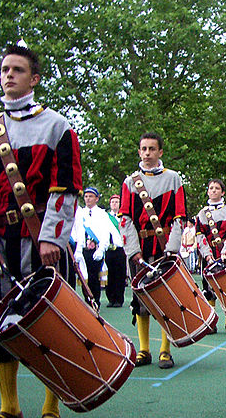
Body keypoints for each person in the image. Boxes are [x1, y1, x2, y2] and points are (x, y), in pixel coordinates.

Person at [0, 44, 82, 418]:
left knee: (51, 325)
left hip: (42, 242)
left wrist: (51, 237)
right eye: (3, 70)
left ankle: (52, 411)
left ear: (34, 79)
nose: (8, 75)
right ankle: (10, 410)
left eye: (17, 70)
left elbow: (65, 188)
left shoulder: (58, 127)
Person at [119, 132, 186, 369]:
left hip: (164, 247)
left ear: (160, 152)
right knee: (140, 299)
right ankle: (144, 349)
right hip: (139, 247)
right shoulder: (130, 182)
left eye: (151, 149)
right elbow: (125, 218)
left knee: (165, 299)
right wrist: (133, 250)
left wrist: (172, 249)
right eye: (143, 149)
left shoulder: (174, 179)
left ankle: (165, 351)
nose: (147, 153)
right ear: (139, 152)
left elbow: (180, 216)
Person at [194, 178, 226, 335]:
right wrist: (207, 255)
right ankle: (212, 322)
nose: (213, 190)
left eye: (216, 188)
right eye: (211, 188)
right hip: (209, 255)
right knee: (208, 289)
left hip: (225, 255)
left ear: (223, 192)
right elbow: (199, 236)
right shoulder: (201, 213)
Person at [71, 187, 120, 307]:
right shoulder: (80, 213)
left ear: (97, 198)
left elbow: (105, 233)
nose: (88, 199)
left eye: (91, 196)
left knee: (94, 278)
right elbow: (77, 231)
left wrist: (101, 249)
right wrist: (78, 250)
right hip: (83, 249)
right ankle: (87, 301)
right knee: (83, 277)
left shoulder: (102, 214)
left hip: (96, 249)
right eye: (86, 196)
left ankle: (95, 301)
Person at [104, 194, 127, 307]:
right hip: (109, 249)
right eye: (112, 202)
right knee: (110, 274)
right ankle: (111, 298)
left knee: (120, 274)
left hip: (120, 249)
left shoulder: (124, 217)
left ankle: (119, 299)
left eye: (117, 202)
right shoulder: (106, 217)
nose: (114, 204)